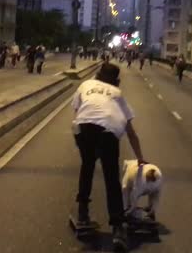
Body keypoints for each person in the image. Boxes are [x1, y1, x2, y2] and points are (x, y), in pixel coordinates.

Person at [71, 63, 146, 250]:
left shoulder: (85, 85)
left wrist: (86, 143)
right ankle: (118, 227)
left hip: (83, 127)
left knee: (87, 166)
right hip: (109, 131)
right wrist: (140, 158)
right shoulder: (117, 94)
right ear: (117, 81)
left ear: (97, 75)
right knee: (111, 178)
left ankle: (82, 212)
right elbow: (131, 133)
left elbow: (78, 112)